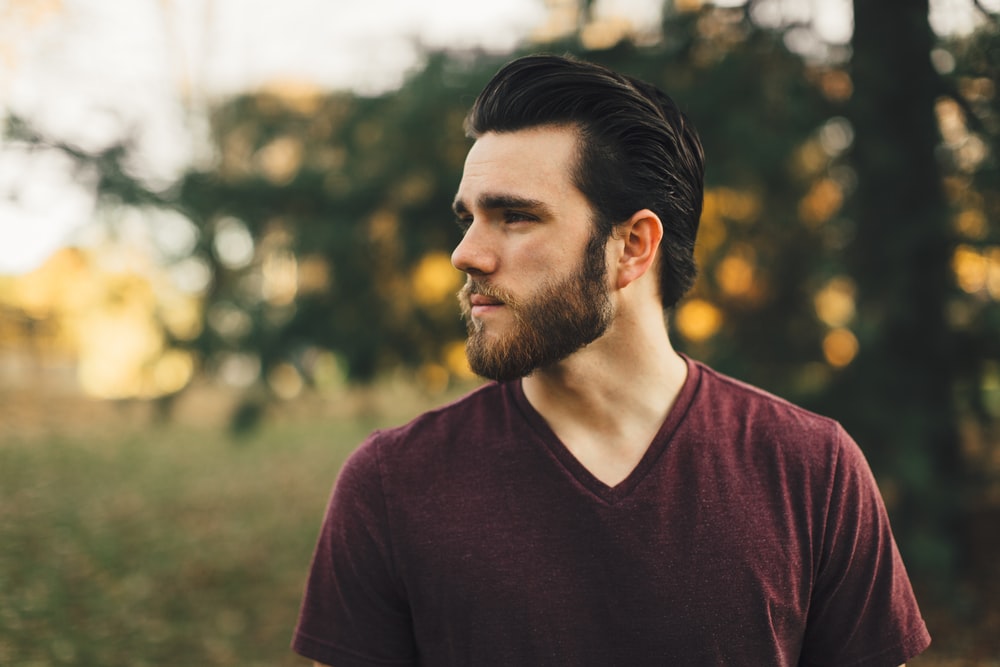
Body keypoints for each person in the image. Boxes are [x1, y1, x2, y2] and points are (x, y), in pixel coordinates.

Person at [292, 54, 930, 666]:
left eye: (515, 216)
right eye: (469, 218)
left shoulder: (812, 471)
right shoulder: (392, 485)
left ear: (631, 246)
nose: (465, 254)